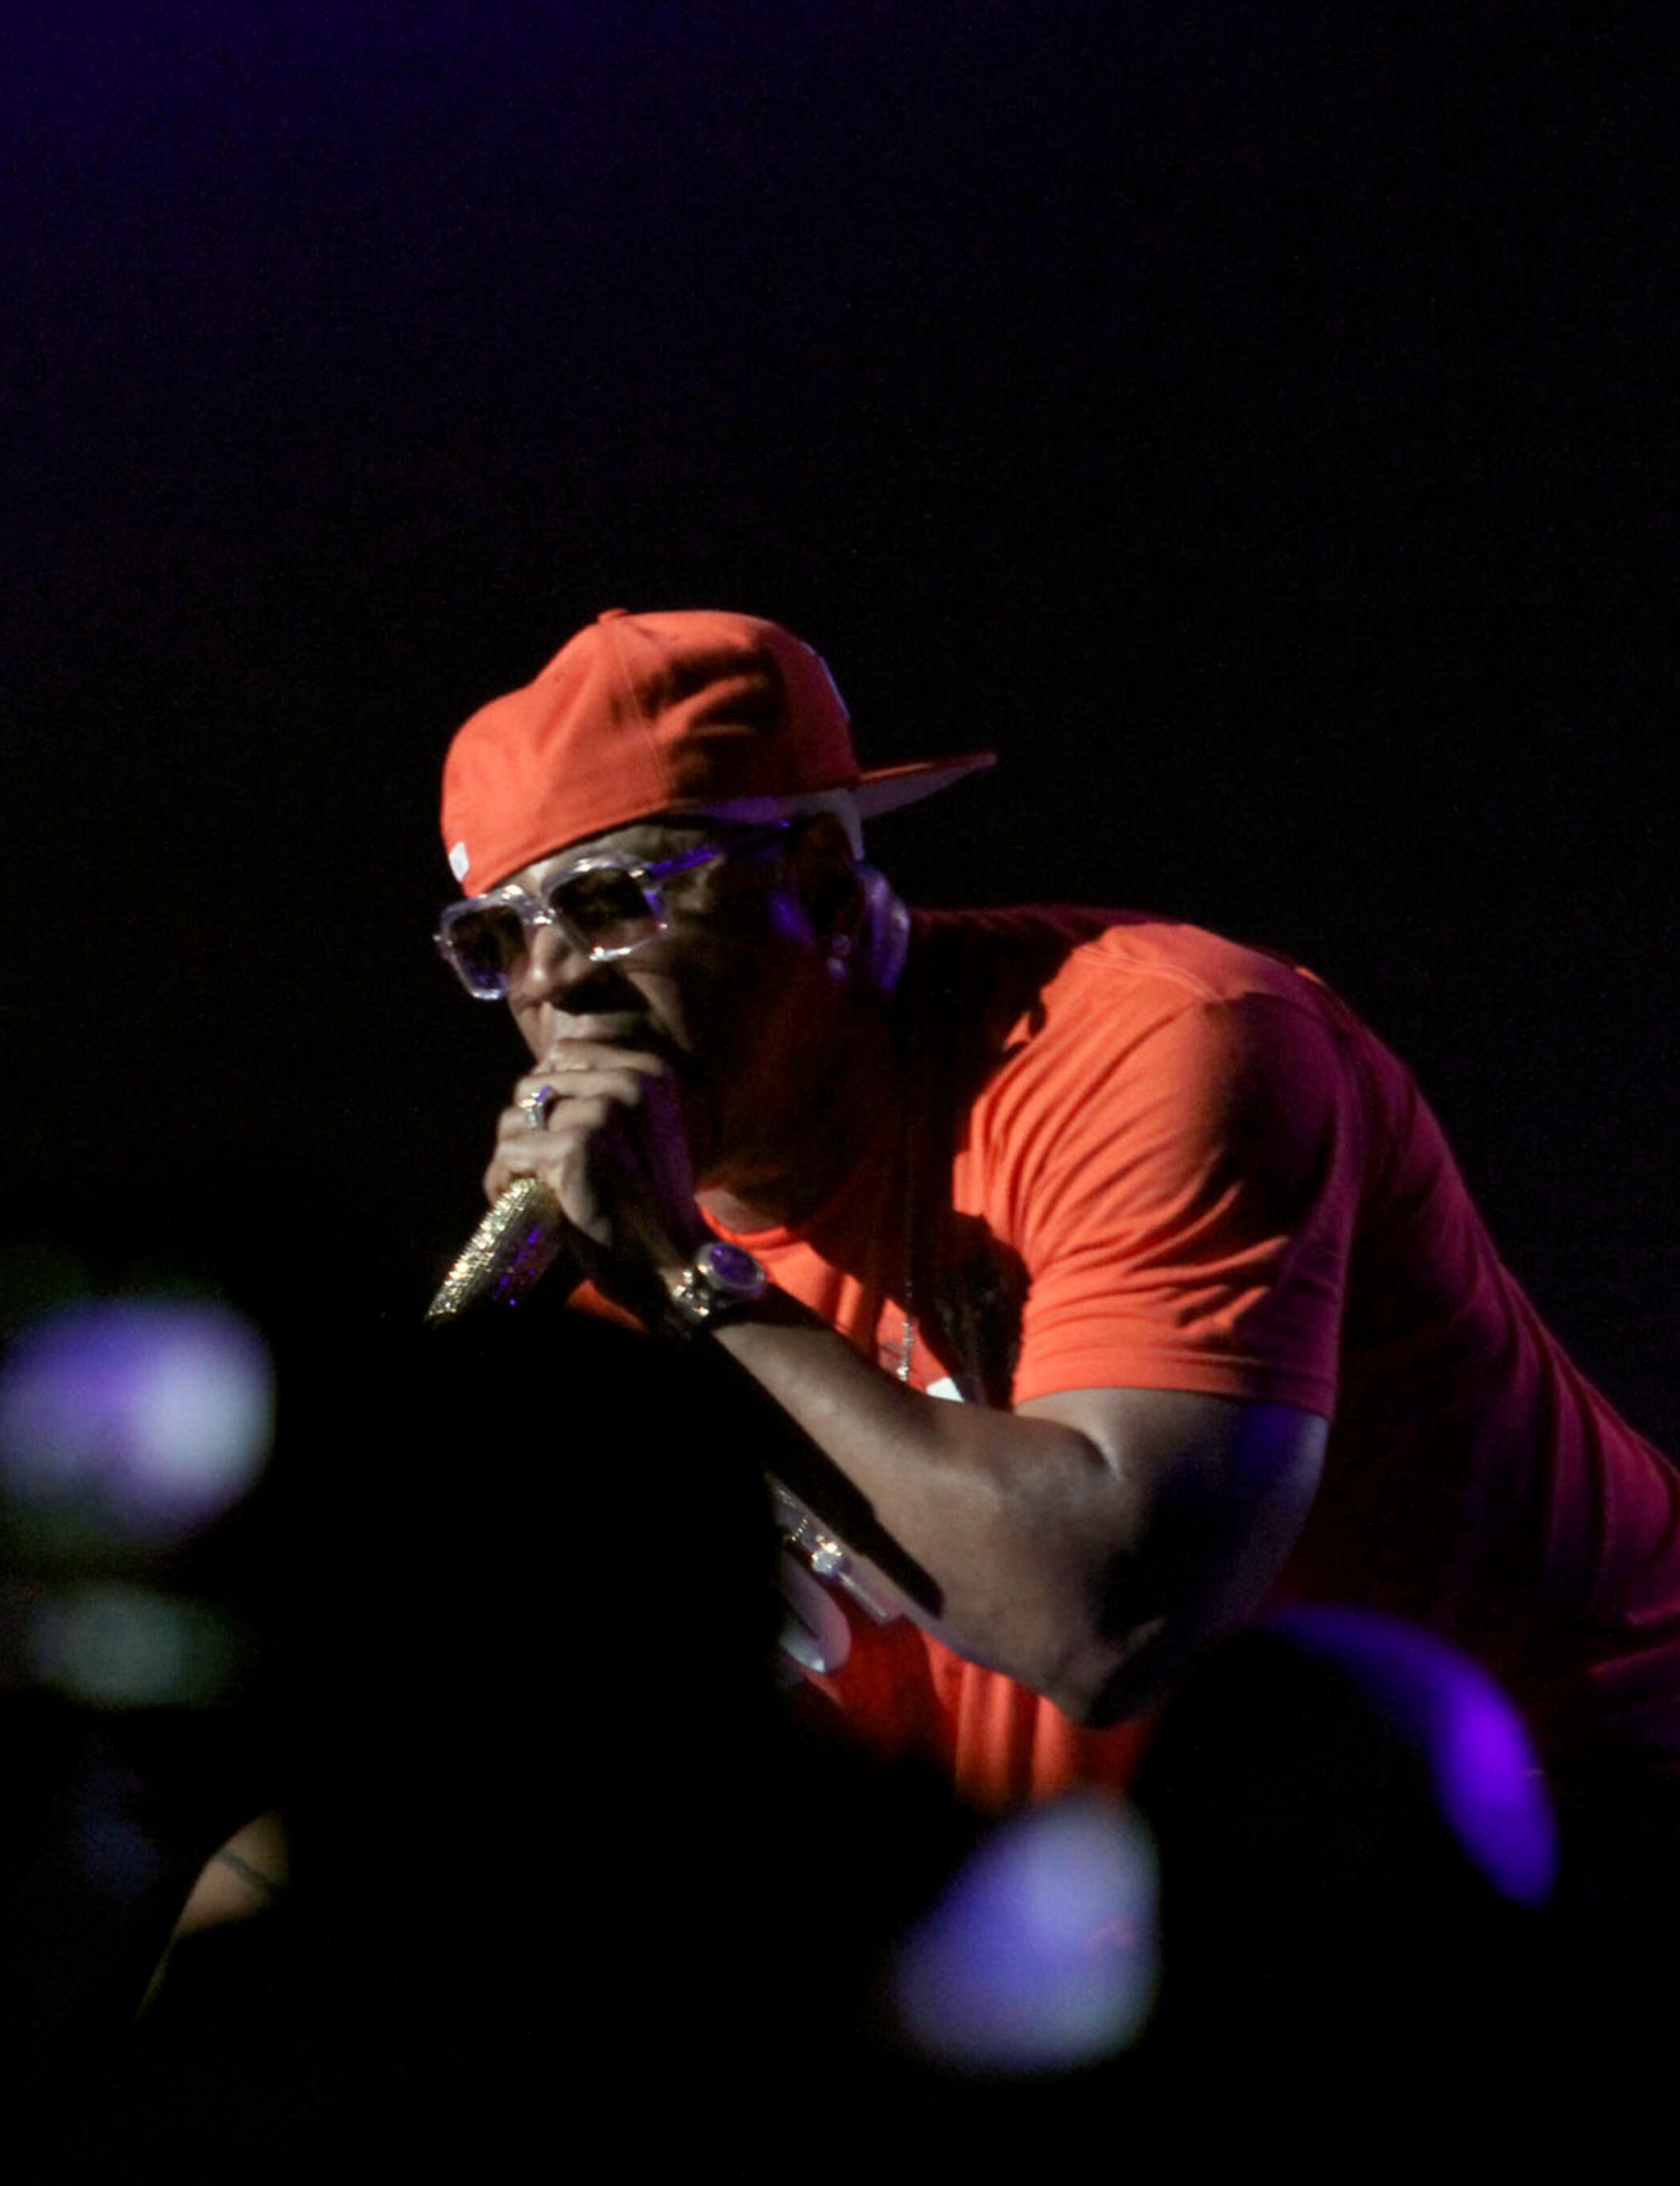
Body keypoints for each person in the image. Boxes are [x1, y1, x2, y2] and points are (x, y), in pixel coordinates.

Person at [430, 608, 1680, 1832]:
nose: (554, 986)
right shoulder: (610, 1284)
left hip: (1564, 1823)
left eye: (608, 904)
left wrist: (688, 1284)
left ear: (817, 874)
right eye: (498, 941)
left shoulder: (1163, 1046)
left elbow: (1110, 1618)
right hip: (1146, 1921)